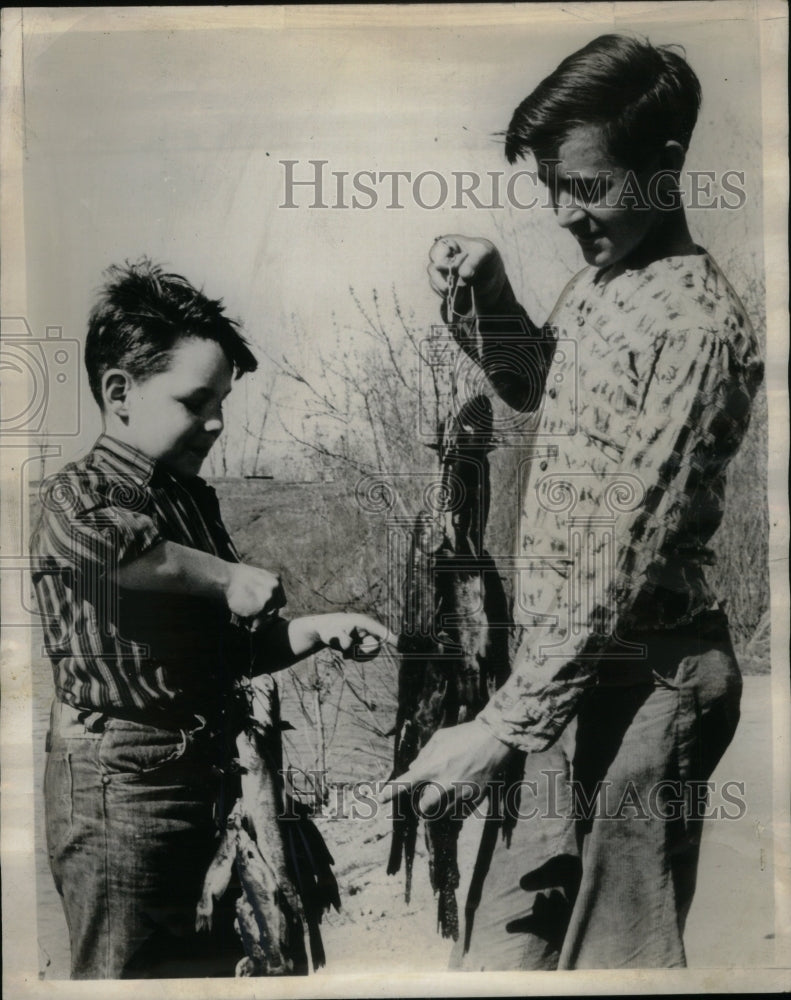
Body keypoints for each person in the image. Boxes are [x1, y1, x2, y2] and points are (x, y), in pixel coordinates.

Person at [382, 33, 764, 969]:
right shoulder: (605, 284)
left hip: (650, 685)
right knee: (500, 958)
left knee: (612, 964)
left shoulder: (697, 326)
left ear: (665, 167)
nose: (561, 211)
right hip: (563, 677)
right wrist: (490, 295)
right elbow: (533, 387)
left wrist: (496, 731)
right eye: (551, 186)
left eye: (585, 188)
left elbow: (620, 554)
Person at [31, 259, 390, 979]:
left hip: (212, 775)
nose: (216, 422)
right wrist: (225, 576)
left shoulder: (192, 502)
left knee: (227, 968)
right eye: (196, 401)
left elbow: (237, 650)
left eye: (223, 401)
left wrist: (318, 627)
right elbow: (108, 552)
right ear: (119, 393)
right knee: (123, 977)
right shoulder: (78, 494)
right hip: (119, 784)